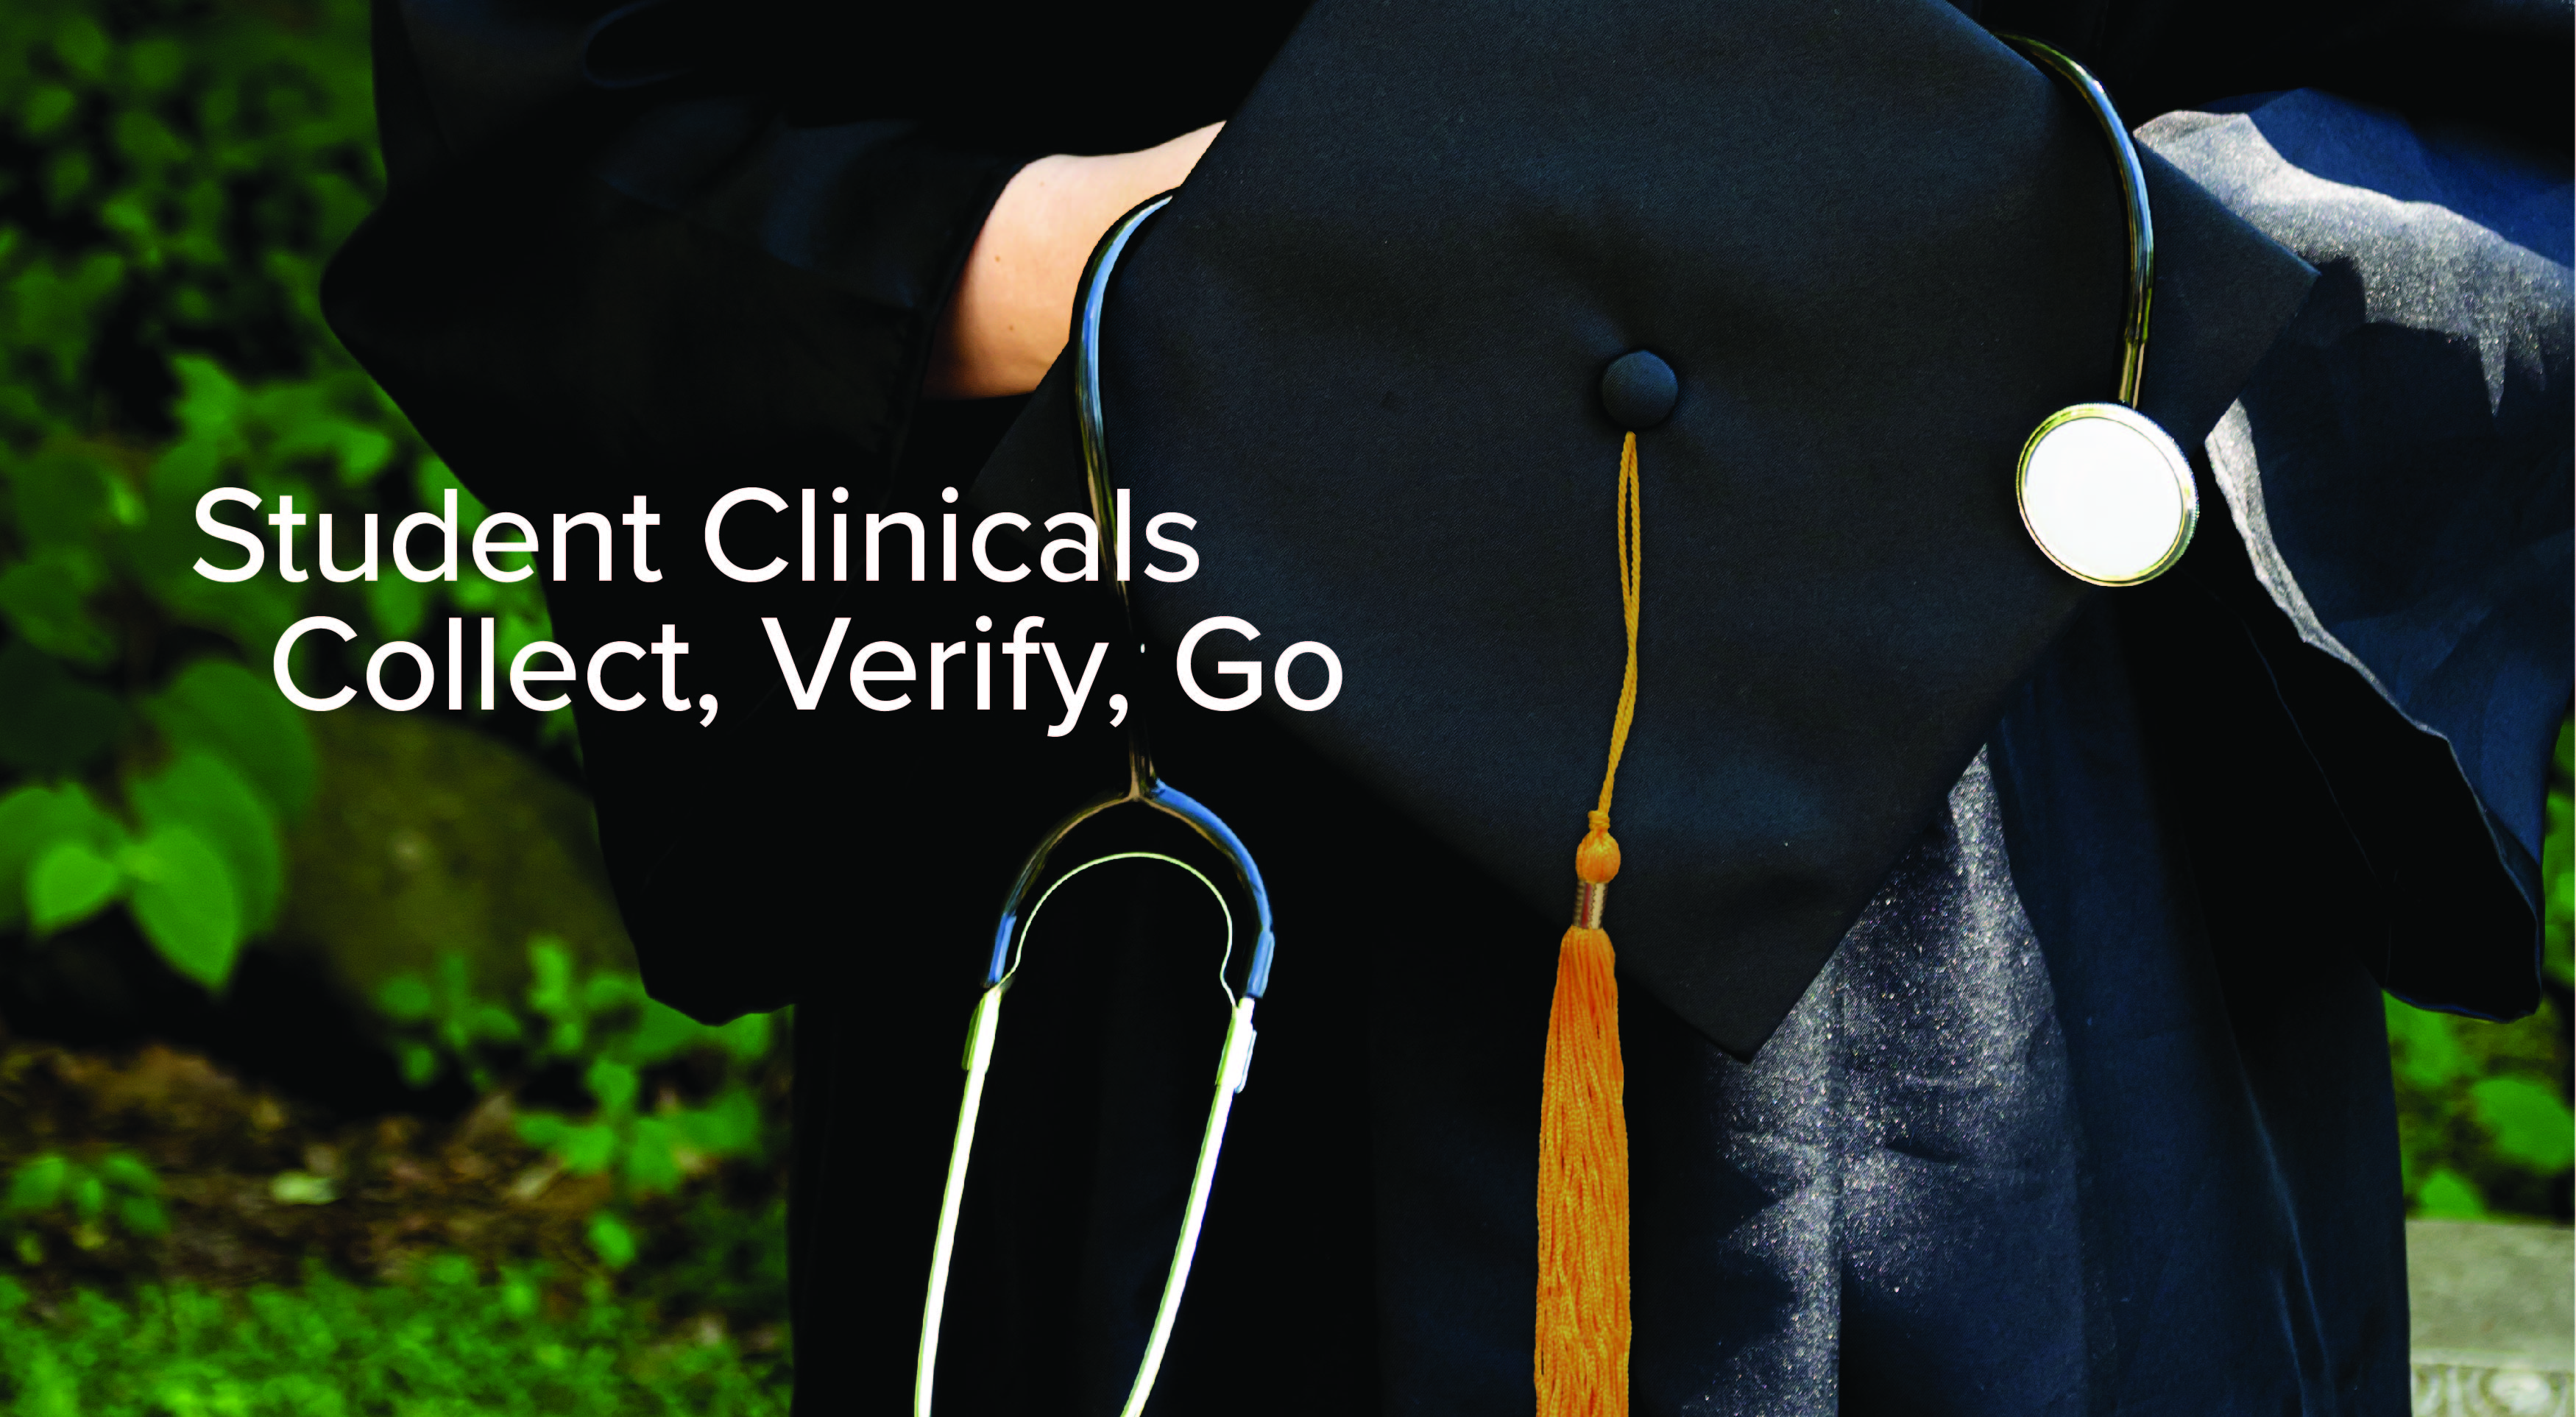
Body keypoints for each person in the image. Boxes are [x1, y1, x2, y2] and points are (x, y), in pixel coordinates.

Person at [322, 0, 2570, 1410]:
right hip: (1186, 817)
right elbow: (559, 138)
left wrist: (2044, 260)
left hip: (2030, 845)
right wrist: (1105, 265)